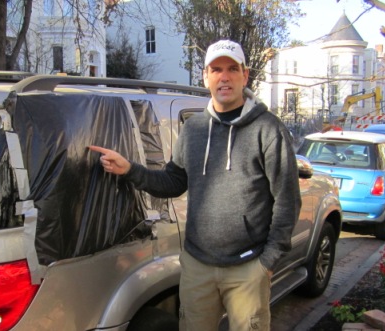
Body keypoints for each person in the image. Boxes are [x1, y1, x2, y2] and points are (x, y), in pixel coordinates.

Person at [89, 39, 301, 331]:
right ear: (206, 77)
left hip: (247, 268)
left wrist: (266, 262)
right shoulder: (194, 128)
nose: (223, 77)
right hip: (197, 266)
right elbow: (174, 182)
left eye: (231, 69)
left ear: (245, 75)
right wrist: (129, 170)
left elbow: (288, 200)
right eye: (216, 69)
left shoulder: (267, 129)